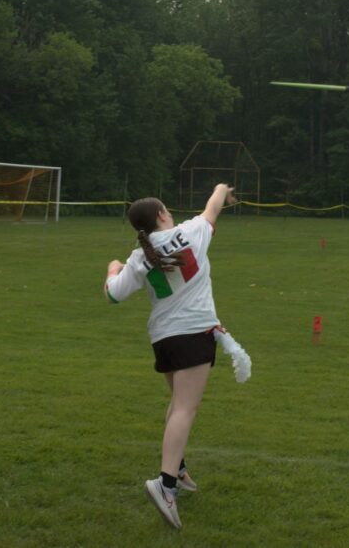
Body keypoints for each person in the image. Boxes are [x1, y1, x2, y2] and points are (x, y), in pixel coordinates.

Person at [104, 183, 236, 530]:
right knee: (184, 409)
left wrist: (113, 268)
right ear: (162, 214)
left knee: (178, 404)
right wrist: (221, 189)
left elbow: (113, 295)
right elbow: (212, 208)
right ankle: (164, 485)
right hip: (194, 333)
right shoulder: (190, 232)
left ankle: (177, 468)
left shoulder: (139, 257)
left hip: (164, 339)